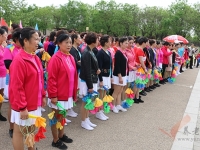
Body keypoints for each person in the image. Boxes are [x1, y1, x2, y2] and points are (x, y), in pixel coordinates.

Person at [9, 27, 46, 150]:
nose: (38, 42)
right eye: (36, 39)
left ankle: (31, 148)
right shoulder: (19, 60)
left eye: (39, 39)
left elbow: (40, 79)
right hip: (24, 104)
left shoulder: (34, 57)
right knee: (20, 131)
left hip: (34, 100)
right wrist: (22, 107)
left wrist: (43, 95)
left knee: (31, 129)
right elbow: (17, 87)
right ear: (25, 41)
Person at [48, 34, 76, 149]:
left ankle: (61, 135)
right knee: (56, 117)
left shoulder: (70, 57)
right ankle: (55, 140)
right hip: (58, 95)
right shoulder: (55, 58)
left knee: (62, 116)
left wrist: (74, 93)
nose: (69, 45)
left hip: (67, 93)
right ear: (59, 43)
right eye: (66, 42)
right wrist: (53, 95)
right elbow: (51, 78)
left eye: (70, 42)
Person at [79, 32, 101, 130]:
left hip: (92, 79)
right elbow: (87, 70)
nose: (98, 41)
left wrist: (97, 70)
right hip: (87, 81)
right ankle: (83, 121)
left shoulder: (91, 51)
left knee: (89, 101)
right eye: (97, 39)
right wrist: (90, 86)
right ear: (93, 41)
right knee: (85, 102)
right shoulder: (86, 53)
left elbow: (92, 66)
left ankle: (87, 119)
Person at [3, 28, 22, 138]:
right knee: (12, 104)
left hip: (24, 82)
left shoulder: (25, 49)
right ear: (16, 39)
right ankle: (11, 127)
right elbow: (8, 65)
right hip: (12, 81)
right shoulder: (9, 49)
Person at [96, 35, 112, 120]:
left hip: (107, 75)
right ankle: (99, 112)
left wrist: (110, 76)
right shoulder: (100, 53)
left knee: (105, 94)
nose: (111, 43)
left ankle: (101, 111)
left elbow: (109, 65)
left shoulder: (108, 52)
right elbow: (99, 67)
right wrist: (101, 80)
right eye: (109, 41)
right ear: (105, 43)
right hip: (102, 76)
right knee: (101, 94)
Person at [112, 37, 129, 113]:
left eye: (127, 43)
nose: (127, 44)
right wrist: (119, 76)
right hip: (118, 75)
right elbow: (117, 65)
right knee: (116, 91)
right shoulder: (118, 52)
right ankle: (113, 106)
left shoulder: (124, 52)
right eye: (125, 43)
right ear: (121, 43)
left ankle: (118, 105)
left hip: (124, 74)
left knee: (120, 90)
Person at [0, 28, 7, 121]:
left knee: (1, 93)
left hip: (3, 72)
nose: (6, 36)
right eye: (5, 35)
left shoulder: (2, 46)